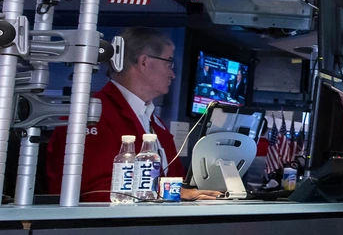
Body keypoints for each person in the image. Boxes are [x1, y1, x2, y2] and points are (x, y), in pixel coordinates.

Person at [45, 27, 221, 202]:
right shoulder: (91, 113)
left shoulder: (154, 121)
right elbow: (93, 191)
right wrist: (169, 193)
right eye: (168, 63)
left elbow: (175, 181)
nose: (172, 74)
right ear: (144, 62)